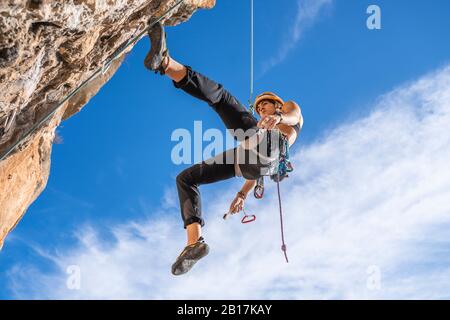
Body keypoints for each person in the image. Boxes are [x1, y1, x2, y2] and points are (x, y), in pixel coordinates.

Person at [144, 22, 303, 276]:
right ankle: (193, 242)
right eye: (259, 108)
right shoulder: (259, 129)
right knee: (186, 179)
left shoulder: (287, 113)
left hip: (269, 149)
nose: (261, 110)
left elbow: (295, 115)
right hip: (251, 162)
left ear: (277, 104)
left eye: (265, 106)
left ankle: (166, 64)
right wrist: (241, 195)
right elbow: (256, 171)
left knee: (221, 98)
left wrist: (280, 119)